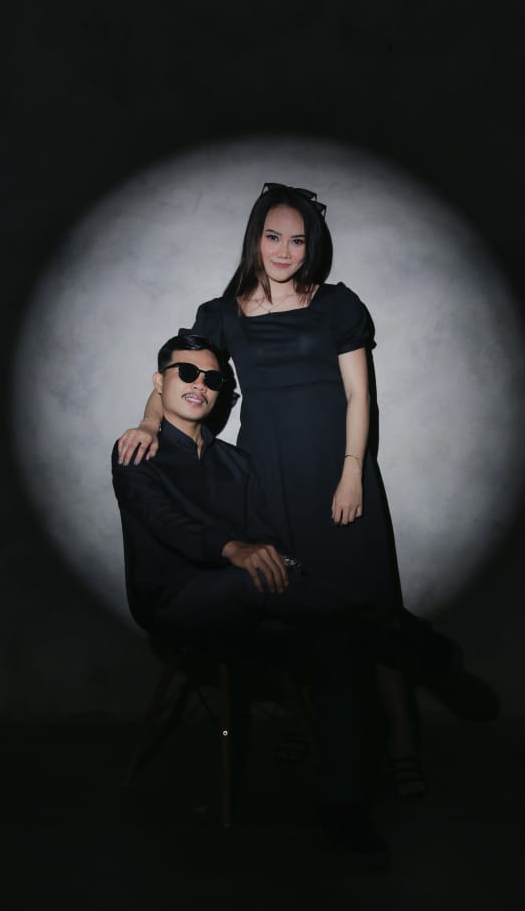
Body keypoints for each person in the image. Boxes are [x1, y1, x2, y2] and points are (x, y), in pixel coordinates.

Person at [117, 183, 427, 797]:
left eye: (298, 240)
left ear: (313, 247)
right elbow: (181, 368)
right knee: (294, 603)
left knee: (369, 605)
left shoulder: (337, 304)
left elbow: (360, 395)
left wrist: (352, 472)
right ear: (255, 239)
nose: (285, 251)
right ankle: (305, 721)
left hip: (338, 475)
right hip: (268, 480)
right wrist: (150, 423)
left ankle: (401, 744)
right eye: (273, 236)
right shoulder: (222, 314)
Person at [112, 332, 391, 865]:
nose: (199, 385)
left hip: (250, 600)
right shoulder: (138, 450)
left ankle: (343, 806)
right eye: (186, 373)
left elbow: (266, 538)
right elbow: (165, 523)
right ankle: (393, 626)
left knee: (336, 639)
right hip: (173, 601)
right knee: (266, 583)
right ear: (159, 382)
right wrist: (232, 547)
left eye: (213, 379)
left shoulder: (237, 464)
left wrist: (276, 559)